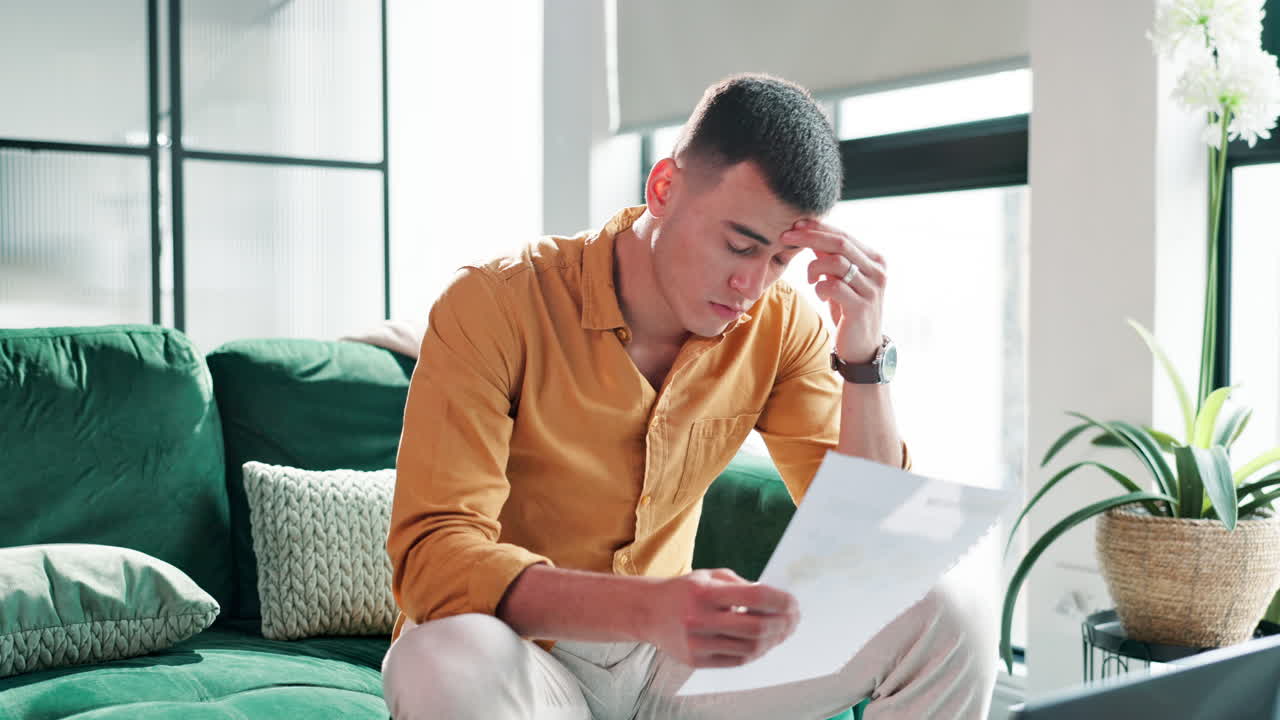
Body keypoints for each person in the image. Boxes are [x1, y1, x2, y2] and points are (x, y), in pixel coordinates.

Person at [381, 73, 997, 719]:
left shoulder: (781, 323)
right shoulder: (495, 303)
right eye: (739, 244)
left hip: (673, 669)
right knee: (440, 653)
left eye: (782, 259)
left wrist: (863, 354)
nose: (750, 284)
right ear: (665, 187)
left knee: (946, 606)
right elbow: (434, 558)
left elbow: (877, 548)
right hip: (525, 657)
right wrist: (649, 609)